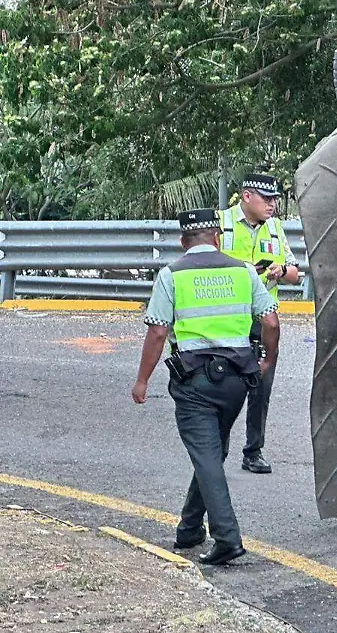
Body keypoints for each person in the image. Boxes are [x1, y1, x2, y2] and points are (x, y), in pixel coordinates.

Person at [131, 209, 280, 565]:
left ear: (183, 242)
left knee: (207, 456)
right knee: (211, 452)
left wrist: (142, 380)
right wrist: (266, 362)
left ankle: (227, 537)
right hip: (237, 382)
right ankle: (189, 529)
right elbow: (271, 322)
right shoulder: (244, 271)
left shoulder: (172, 275)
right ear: (217, 238)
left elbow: (158, 332)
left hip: (195, 382)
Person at [218, 173, 300, 475]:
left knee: (261, 387)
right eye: (266, 199)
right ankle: (218, 450)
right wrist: (243, 271)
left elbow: (296, 274)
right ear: (247, 196)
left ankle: (253, 451)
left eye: (275, 199)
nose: (272, 204)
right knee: (225, 388)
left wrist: (281, 270)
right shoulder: (222, 223)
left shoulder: (275, 227)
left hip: (264, 321)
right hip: (229, 320)